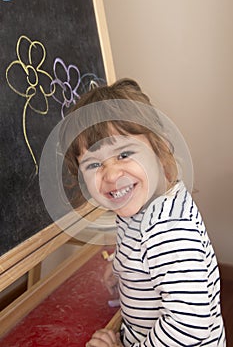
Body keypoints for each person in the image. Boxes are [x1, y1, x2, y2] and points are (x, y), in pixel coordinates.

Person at [60, 79, 226, 346]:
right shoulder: (143, 203)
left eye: (124, 154)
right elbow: (144, 251)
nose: (111, 174)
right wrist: (121, 267)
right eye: (93, 165)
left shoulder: (167, 230)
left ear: (158, 149)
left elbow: (190, 327)